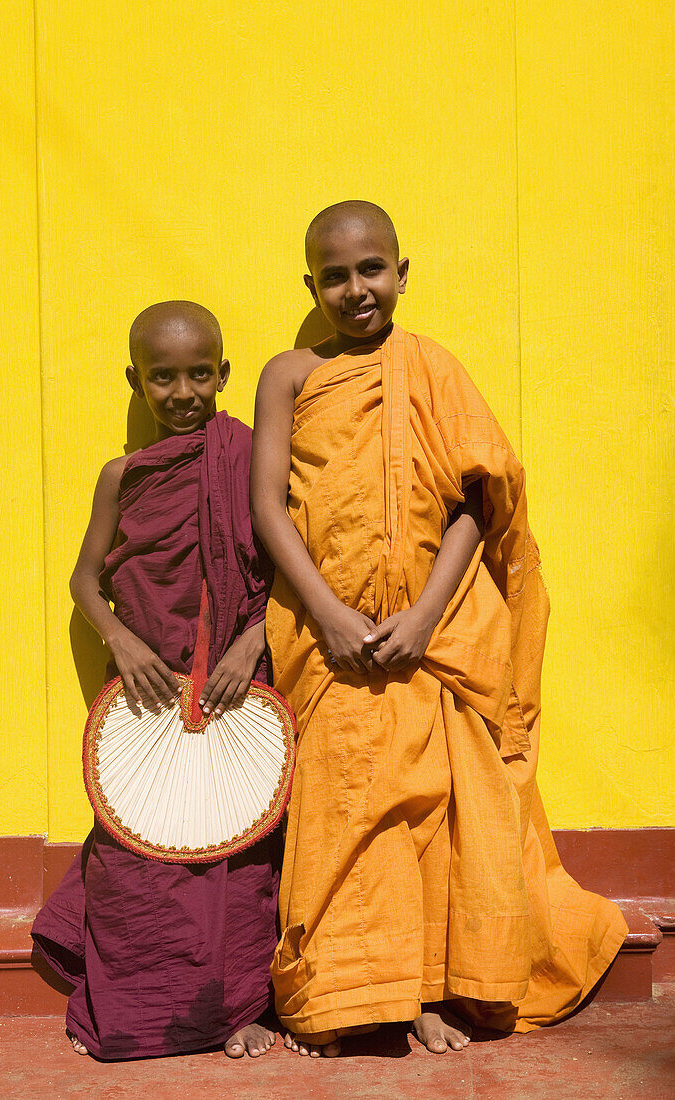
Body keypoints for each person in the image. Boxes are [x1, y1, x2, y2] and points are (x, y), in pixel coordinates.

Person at [250, 201, 628, 1058]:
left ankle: (427, 989)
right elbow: (267, 508)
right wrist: (331, 615)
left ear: (402, 272)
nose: (356, 289)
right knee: (348, 804)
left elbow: (474, 502)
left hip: (436, 633)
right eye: (335, 275)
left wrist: (421, 617)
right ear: (310, 285)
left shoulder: (432, 367)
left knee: (444, 811)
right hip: (328, 637)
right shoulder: (290, 375)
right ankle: (349, 991)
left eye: (371, 268)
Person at [32, 301, 280, 1061]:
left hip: (237, 690)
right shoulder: (123, 474)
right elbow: (83, 579)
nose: (182, 393)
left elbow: (295, 572)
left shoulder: (250, 456)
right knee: (136, 857)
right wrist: (120, 638)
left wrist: (253, 641)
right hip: (145, 692)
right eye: (162, 377)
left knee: (238, 861)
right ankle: (133, 1008)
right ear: (134, 380)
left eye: (199, 374)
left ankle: (239, 1011)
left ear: (223, 374)